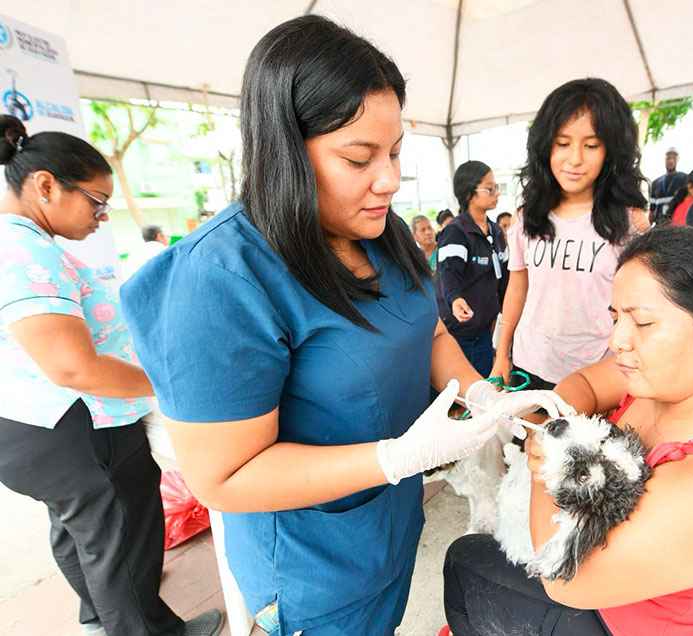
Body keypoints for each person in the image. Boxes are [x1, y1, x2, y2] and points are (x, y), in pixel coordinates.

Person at [120, 17, 561, 636]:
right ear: (283, 151)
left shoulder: (383, 232)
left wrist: (484, 397)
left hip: (388, 525)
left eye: (396, 151)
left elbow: (428, 333)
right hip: (313, 566)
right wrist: (397, 456)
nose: (389, 179)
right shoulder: (223, 278)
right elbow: (223, 477)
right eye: (360, 158)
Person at [443, 227, 693, 636]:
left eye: (643, 322)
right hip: (611, 595)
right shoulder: (682, 371)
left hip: (620, 617)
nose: (617, 340)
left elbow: (566, 579)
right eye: (615, 317)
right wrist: (554, 421)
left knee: (465, 562)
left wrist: (546, 462)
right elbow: (587, 385)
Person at [0, 115, 222, 636]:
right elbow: (73, 365)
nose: (103, 216)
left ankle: (100, 620)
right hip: (72, 426)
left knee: (83, 534)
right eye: (97, 201)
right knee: (118, 540)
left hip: (33, 427)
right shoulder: (24, 251)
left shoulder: (24, 243)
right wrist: (167, 383)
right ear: (46, 185)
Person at [490, 77, 647, 391]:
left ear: (611, 151)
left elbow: (639, 303)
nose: (575, 159)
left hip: (598, 374)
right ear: (545, 145)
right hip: (530, 365)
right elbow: (517, 286)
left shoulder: (630, 223)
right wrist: (501, 356)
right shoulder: (527, 216)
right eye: (562, 143)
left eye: (591, 145)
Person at [437, 160, 509, 376]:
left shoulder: (496, 232)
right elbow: (448, 272)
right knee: (464, 396)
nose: (496, 193)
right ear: (469, 193)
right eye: (490, 188)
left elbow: (505, 278)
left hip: (484, 331)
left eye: (496, 187)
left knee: (486, 387)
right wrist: (456, 299)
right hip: (459, 334)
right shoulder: (456, 232)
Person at [649, 147, 687, 222]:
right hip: (659, 225)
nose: (671, 161)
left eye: (674, 158)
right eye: (668, 158)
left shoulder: (685, 179)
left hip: (677, 225)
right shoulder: (655, 183)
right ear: (664, 159)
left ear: (678, 160)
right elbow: (652, 210)